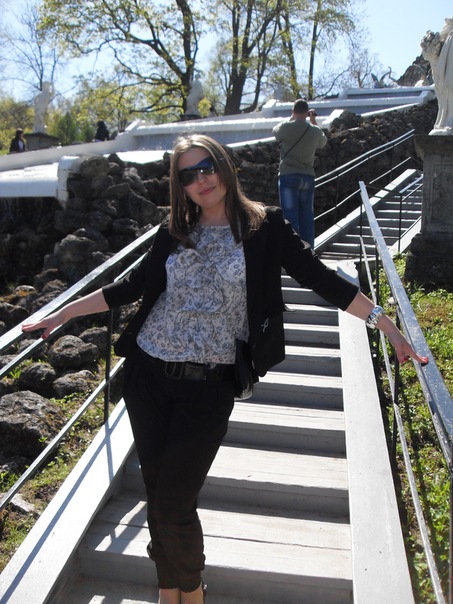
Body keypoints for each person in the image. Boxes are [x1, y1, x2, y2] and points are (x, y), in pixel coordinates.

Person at [22, 133, 428, 604]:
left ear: (224, 167)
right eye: (188, 175)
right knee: (158, 493)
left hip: (208, 386)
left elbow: (319, 278)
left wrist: (385, 324)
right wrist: (64, 313)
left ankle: (192, 591)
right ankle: (168, 590)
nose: (201, 180)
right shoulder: (175, 230)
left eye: (207, 167)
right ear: (180, 186)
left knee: (174, 503)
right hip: (148, 376)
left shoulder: (264, 226)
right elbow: (131, 286)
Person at [273, 98, 327, 246]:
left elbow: (275, 131)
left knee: (290, 216)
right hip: (307, 176)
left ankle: (293, 250)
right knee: (307, 215)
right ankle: (309, 251)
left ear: (293, 111)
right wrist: (313, 121)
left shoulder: (286, 127)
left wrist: (291, 118)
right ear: (307, 112)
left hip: (288, 175)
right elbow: (323, 142)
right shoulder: (314, 130)